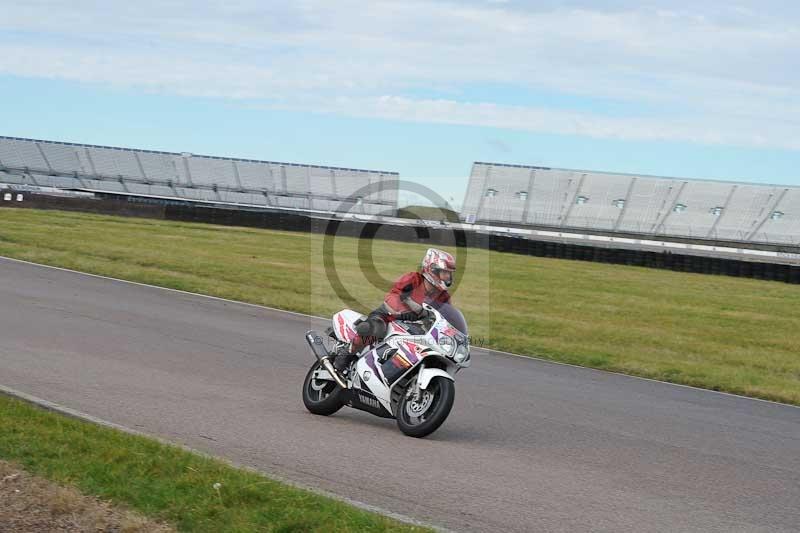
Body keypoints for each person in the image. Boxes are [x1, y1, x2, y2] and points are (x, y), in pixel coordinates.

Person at [333, 248, 456, 372]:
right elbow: (393, 296)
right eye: (444, 272)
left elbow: (448, 318)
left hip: (416, 329)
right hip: (388, 317)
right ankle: (345, 355)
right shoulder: (413, 279)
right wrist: (405, 309)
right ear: (432, 270)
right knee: (375, 328)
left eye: (449, 273)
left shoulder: (443, 296)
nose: (448, 277)